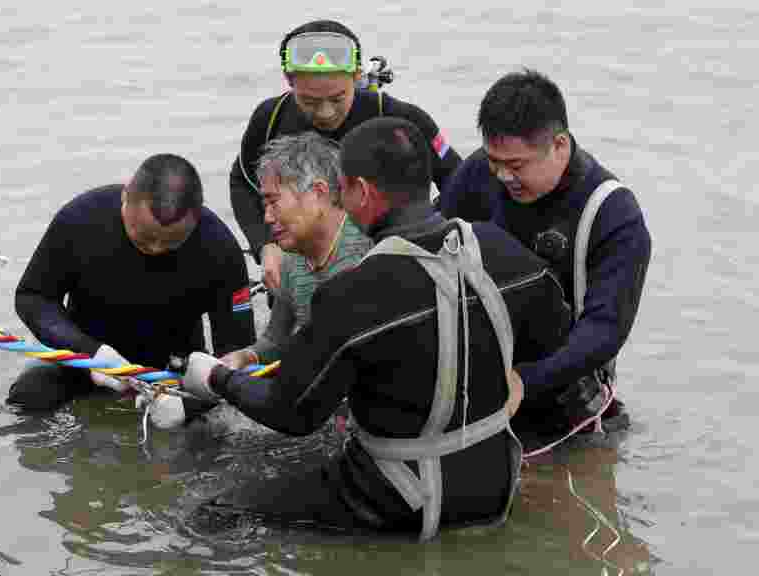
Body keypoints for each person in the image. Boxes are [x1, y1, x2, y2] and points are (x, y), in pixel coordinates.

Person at [179, 117, 571, 541]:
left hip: (397, 496)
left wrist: (216, 378)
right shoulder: (503, 250)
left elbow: (290, 413)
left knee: (215, 514)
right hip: (493, 484)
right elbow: (553, 335)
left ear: (360, 193)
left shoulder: (351, 293)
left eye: (344, 188)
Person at [438, 68, 652, 447]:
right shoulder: (477, 173)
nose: (503, 176)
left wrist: (524, 380)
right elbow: (431, 245)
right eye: (494, 161)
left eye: (517, 165)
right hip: (477, 381)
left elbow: (604, 330)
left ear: (560, 145)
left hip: (564, 399)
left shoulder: (613, 214)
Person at [7, 153, 256, 424]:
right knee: (29, 393)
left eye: (172, 242)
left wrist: (190, 406)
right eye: (145, 236)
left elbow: (235, 357)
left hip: (171, 372)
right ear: (126, 197)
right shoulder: (81, 219)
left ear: (196, 220)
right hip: (87, 361)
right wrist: (90, 353)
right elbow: (33, 297)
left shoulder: (219, 249)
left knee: (197, 434)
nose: (156, 249)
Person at [230, 19, 462, 295]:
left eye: (338, 98)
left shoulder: (401, 120)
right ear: (289, 81)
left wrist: (424, 240)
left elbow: (460, 183)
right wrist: (265, 245)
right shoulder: (270, 119)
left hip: (389, 275)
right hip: (301, 279)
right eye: (310, 101)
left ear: (356, 76)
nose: (326, 112)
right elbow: (242, 182)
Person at [220, 131, 372, 371]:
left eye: (274, 202)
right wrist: (242, 358)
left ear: (318, 193)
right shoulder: (293, 257)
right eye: (264, 205)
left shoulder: (370, 249)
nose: (267, 218)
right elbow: (275, 340)